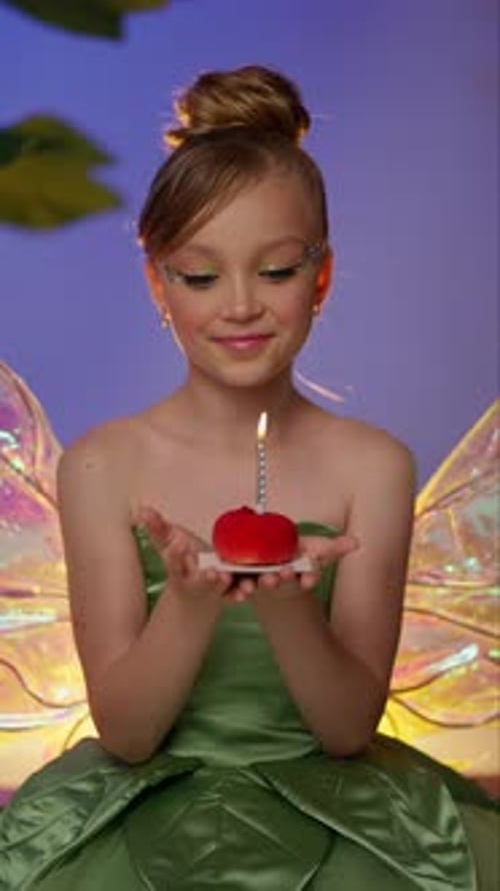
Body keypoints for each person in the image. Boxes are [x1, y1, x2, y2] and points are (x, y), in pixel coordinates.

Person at [0, 65, 497, 891]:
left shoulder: (372, 466)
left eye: (275, 272)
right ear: (160, 283)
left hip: (340, 806)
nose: (240, 306)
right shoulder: (103, 466)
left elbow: (344, 730)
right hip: (143, 803)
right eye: (201, 276)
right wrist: (191, 604)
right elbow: (126, 731)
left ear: (322, 277)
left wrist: (288, 605)